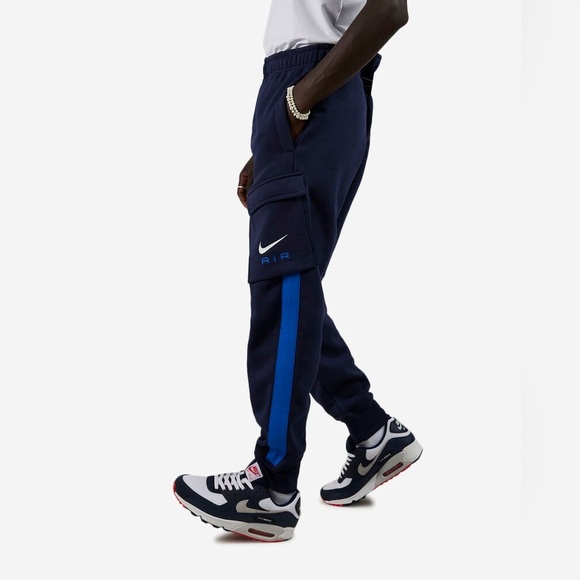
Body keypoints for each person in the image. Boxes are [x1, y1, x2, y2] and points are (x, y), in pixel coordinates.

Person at [173, 0, 422, 542]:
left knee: (284, 287)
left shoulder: (304, 89)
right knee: (294, 289)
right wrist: (272, 133)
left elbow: (388, 10)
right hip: (303, 95)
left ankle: (272, 486)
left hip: (312, 87)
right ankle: (371, 430)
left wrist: (297, 99)